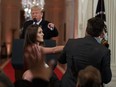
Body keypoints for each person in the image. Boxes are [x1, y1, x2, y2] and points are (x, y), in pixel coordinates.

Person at [58, 17, 112, 87]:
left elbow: (61, 60)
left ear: (86, 29)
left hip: (68, 84)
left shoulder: (71, 43)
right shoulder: (104, 51)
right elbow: (106, 79)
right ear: (101, 33)